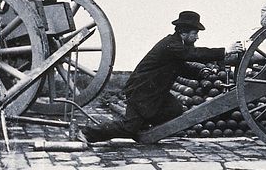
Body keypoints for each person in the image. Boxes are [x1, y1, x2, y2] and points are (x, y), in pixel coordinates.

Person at [81, 11, 239, 143]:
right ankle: (88, 133)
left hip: (154, 92)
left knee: (174, 109)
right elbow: (193, 54)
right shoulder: (172, 44)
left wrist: (200, 73)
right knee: (129, 127)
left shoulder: (176, 45)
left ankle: (144, 127)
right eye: (195, 33)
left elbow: (180, 66)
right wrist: (225, 51)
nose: (197, 37)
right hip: (141, 91)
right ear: (184, 32)